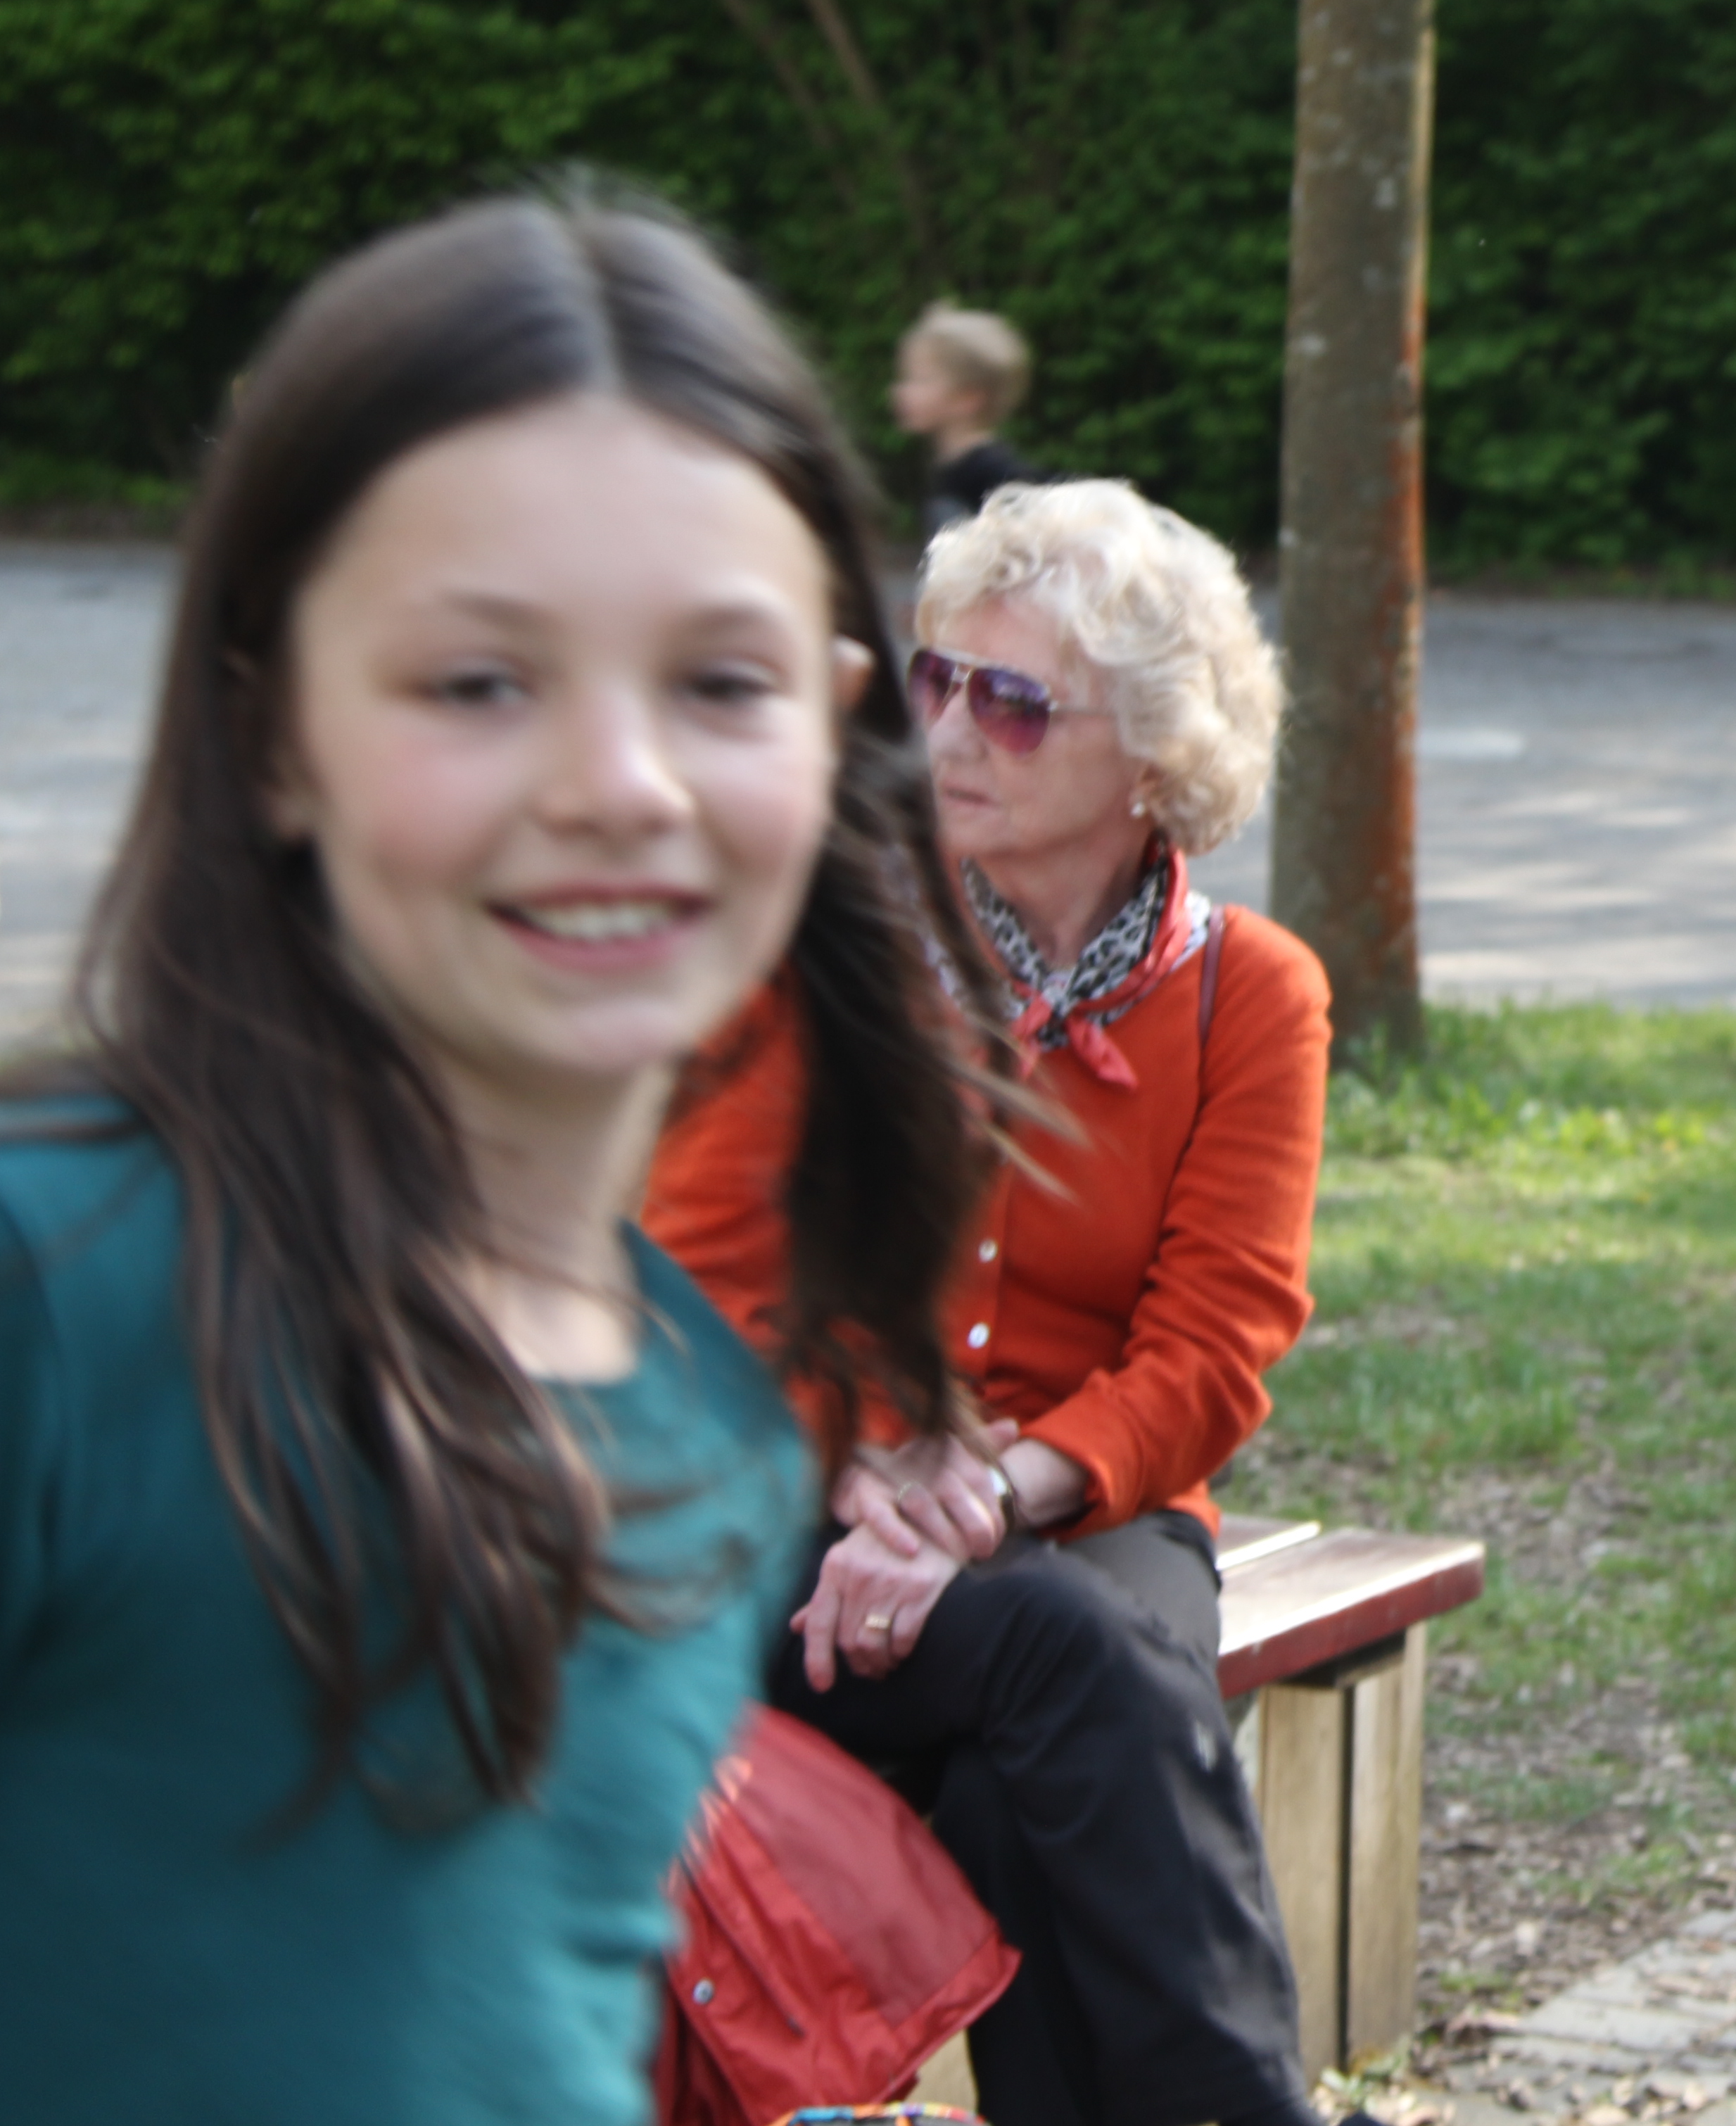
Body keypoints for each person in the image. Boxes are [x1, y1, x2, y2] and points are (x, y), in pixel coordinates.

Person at [0, 193, 1003, 2123]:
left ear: (830, 732)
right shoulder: (52, 1298)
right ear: (270, 729)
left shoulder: (709, 1430)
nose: (617, 783)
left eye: (718, 682)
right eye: (479, 681)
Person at [645, 479, 1331, 2126]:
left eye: (1014, 702)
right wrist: (872, 1472)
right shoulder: (824, 954)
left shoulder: (1251, 997)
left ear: (1153, 754)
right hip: (779, 1514)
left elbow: (1214, 1349)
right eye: (935, 678)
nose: (948, 731)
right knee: (1066, 1655)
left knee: (1029, 1760)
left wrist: (996, 1494)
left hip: (1092, 1506)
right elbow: (694, 1286)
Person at [895, 300, 1041, 537]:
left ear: (968, 398)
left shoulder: (999, 478)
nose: (902, 391)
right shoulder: (948, 469)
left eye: (920, 380)